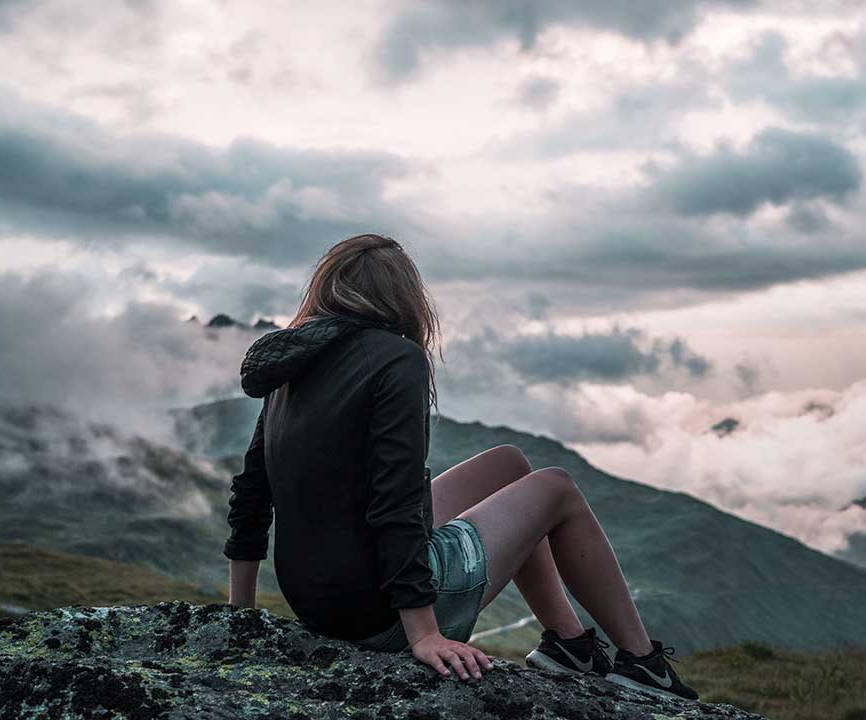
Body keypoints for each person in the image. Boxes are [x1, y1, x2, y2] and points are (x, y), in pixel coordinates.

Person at [223, 233, 698, 701]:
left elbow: (251, 492)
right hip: (377, 610)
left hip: (320, 602)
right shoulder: (397, 359)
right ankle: (642, 663)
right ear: (403, 295)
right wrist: (424, 634)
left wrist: (239, 615)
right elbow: (397, 502)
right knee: (556, 487)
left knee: (510, 465)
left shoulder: (293, 364)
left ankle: (569, 645)